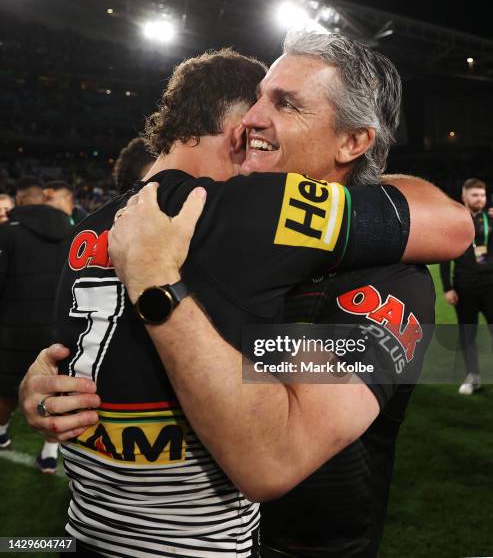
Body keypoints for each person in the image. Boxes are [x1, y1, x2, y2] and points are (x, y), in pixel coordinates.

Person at [20, 40, 472, 557]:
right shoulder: (205, 226)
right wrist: (57, 377)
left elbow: (272, 456)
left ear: (352, 142)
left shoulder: (388, 279)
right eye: (256, 98)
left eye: (285, 103)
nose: (251, 118)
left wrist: (156, 289)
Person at [0, 176, 72, 472]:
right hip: (57, 325)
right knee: (53, 390)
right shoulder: (73, 232)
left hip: (13, 326)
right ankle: (49, 452)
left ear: (19, 202)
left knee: (5, 387)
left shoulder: (7, 233)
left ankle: (2, 433)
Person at [440, 177, 493, 395]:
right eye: (475, 195)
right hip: (464, 287)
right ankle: (474, 377)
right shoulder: (455, 221)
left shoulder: (491, 219)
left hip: (491, 285)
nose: (480, 199)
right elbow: (445, 255)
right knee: (467, 335)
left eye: (482, 195)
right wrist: (447, 287)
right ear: (464, 197)